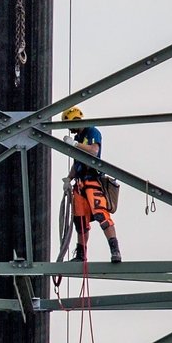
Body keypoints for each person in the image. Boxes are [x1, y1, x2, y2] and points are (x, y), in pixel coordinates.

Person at [62, 107, 121, 263]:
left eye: (69, 124)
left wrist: (75, 144)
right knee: (80, 220)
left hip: (93, 180)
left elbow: (93, 151)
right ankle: (81, 255)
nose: (69, 129)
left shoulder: (91, 131)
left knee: (101, 215)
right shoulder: (80, 137)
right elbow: (77, 163)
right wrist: (68, 179)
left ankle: (115, 250)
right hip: (80, 184)